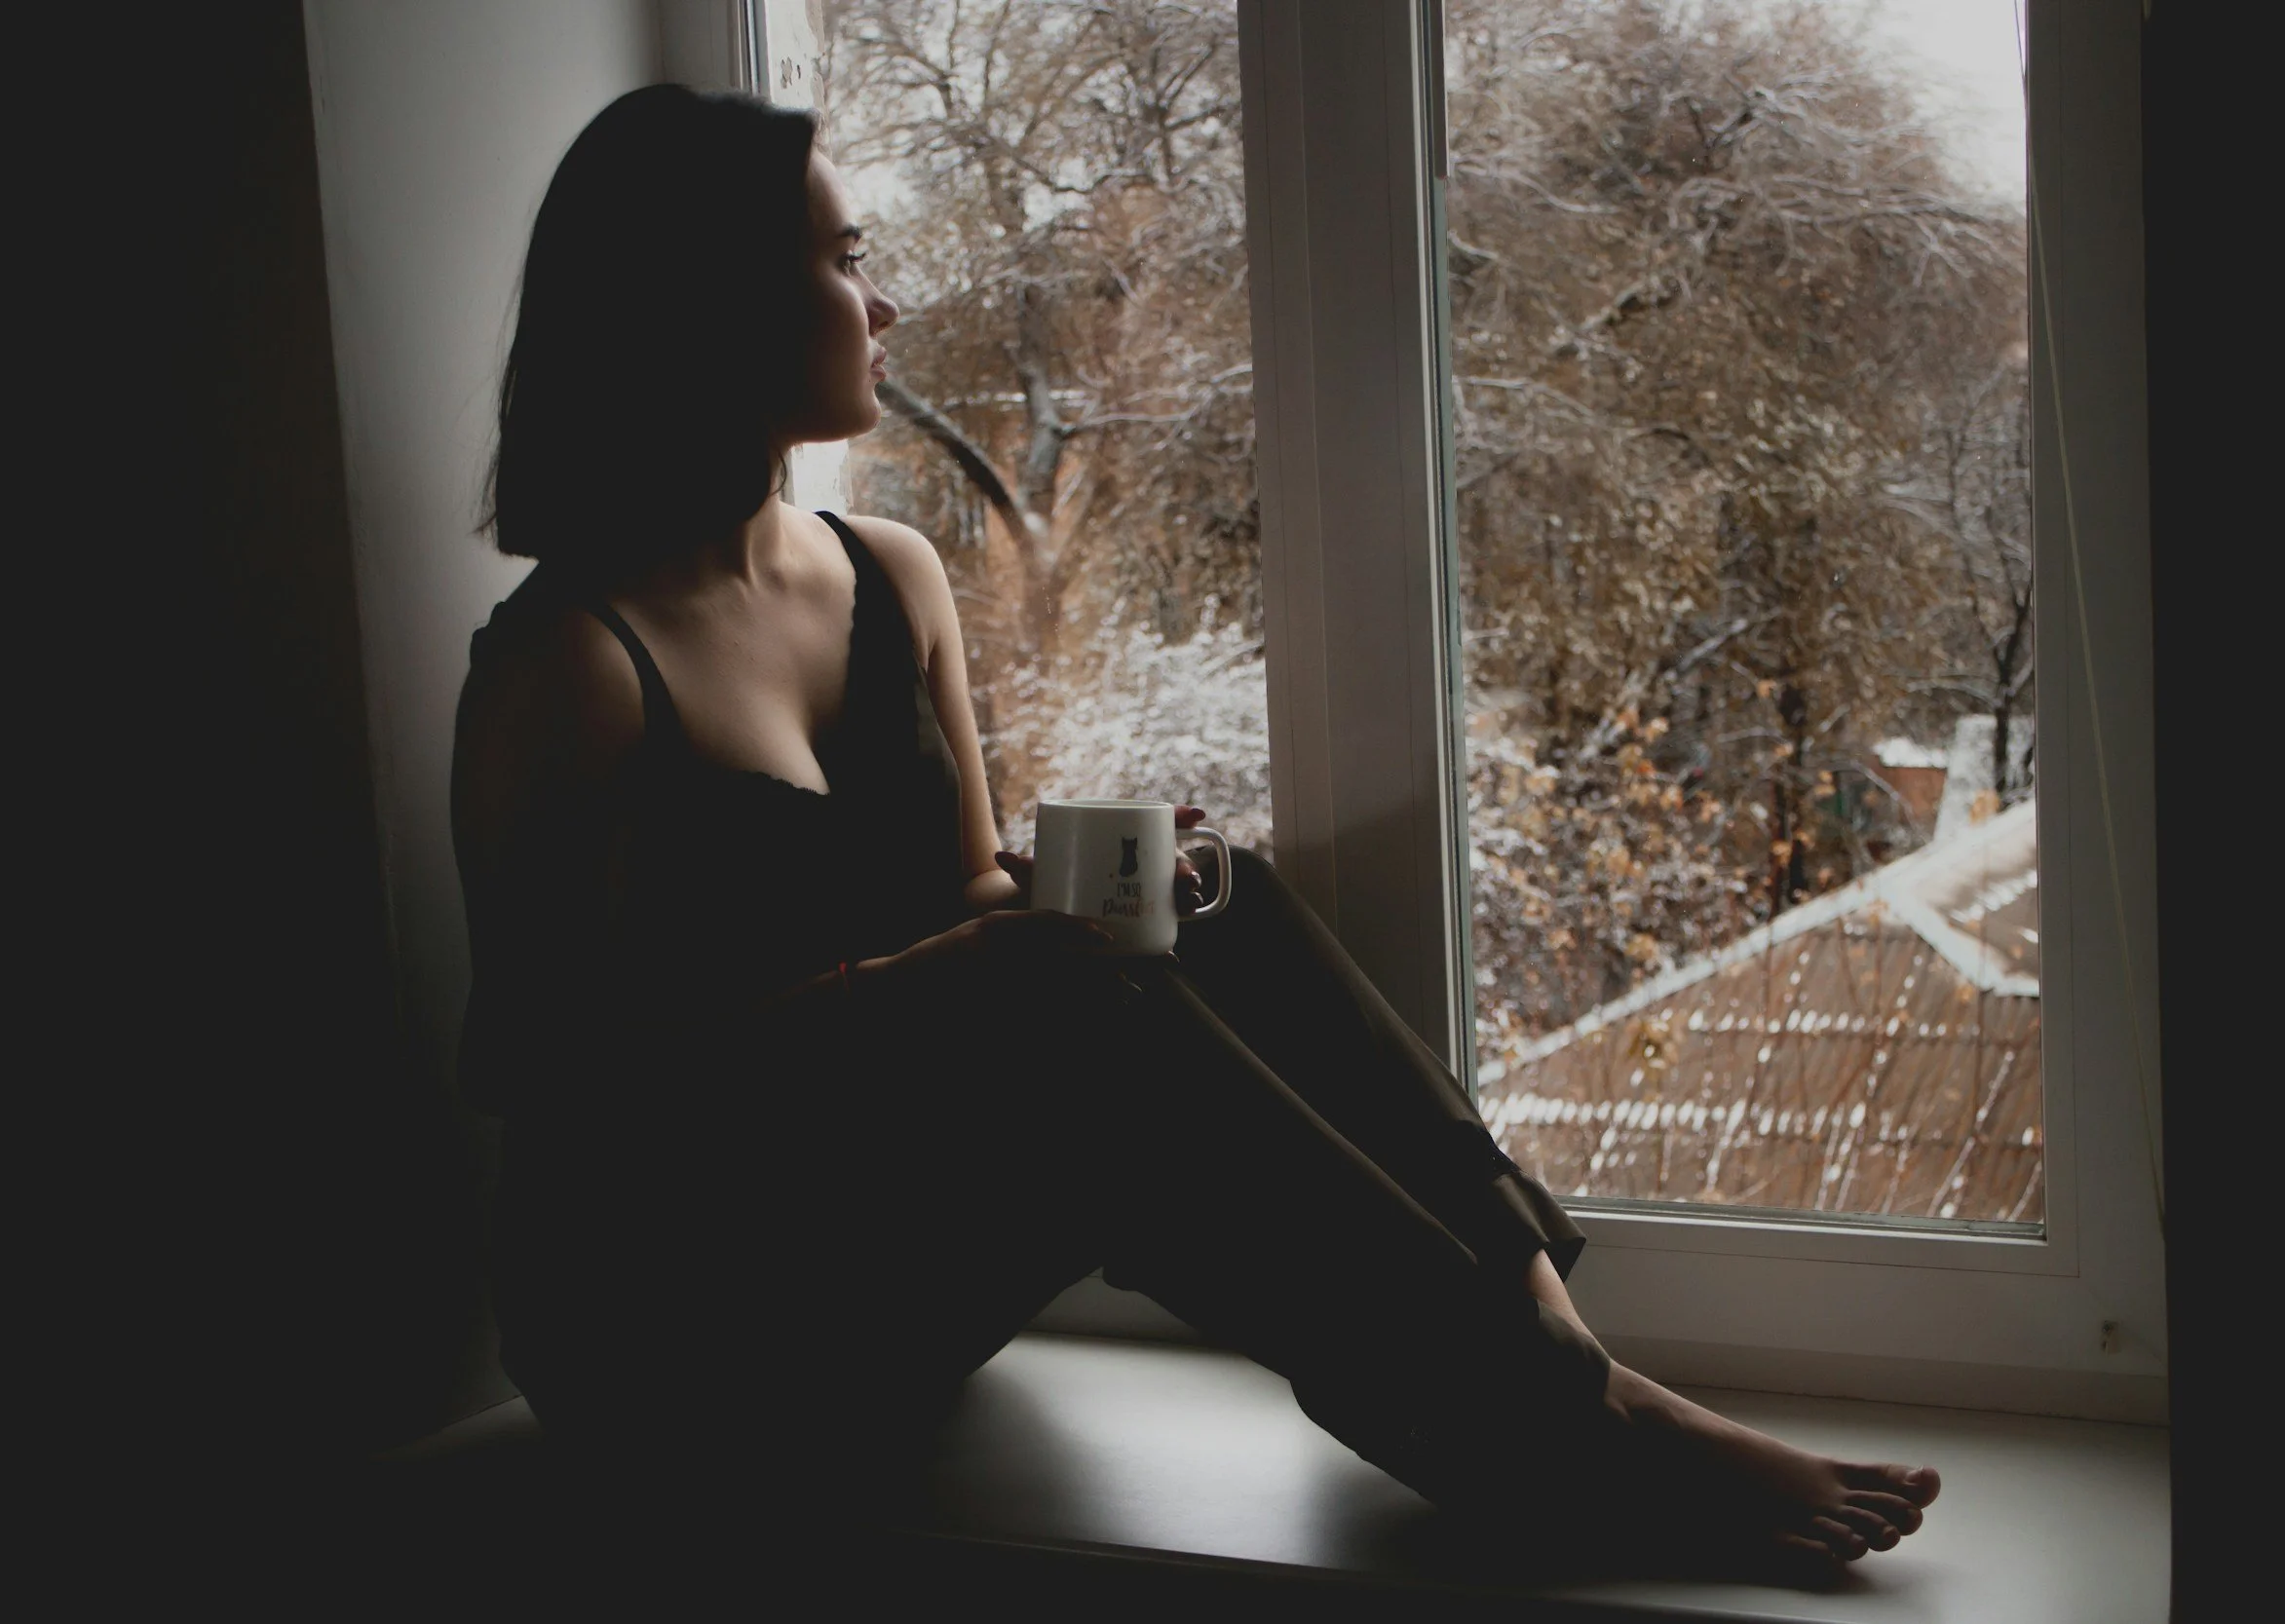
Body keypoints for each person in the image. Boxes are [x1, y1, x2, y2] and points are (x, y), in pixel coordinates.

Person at [449, 84, 1937, 1569]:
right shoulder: (570, 669)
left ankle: (1562, 1352)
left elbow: (965, 894)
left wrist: (1070, 895)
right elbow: (563, 1089)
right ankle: (1571, 1424)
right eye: (844, 261)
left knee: (1215, 891)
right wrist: (936, 981)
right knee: (1071, 1002)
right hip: (684, 1342)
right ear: (710, 306)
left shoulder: (889, 573)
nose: (883, 300)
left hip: (896, 1255)